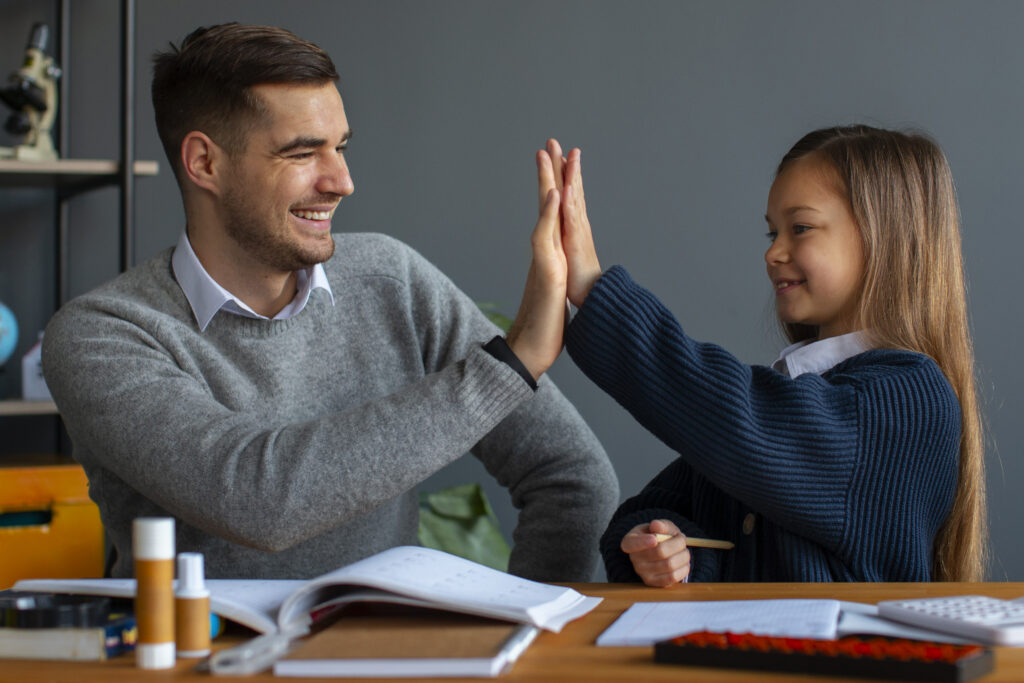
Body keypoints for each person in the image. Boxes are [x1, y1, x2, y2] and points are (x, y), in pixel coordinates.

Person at [40, 23, 618, 581]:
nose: (341, 181)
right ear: (204, 163)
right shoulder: (102, 334)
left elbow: (573, 476)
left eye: (339, 147)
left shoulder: (392, 278)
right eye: (302, 153)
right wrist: (509, 368)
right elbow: (256, 502)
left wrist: (530, 628)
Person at [526, 126, 986, 584]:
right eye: (772, 233)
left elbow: (739, 421)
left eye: (800, 228)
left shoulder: (911, 401)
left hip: (837, 659)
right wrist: (671, 548)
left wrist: (593, 288)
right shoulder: (789, 400)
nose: (773, 253)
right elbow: (661, 507)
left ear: (886, 238)